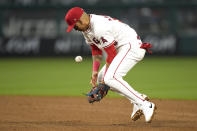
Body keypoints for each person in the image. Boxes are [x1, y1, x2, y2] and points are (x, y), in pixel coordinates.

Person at [65, 7, 156, 123]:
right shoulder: (86, 30)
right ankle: (138, 100)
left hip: (131, 47)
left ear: (80, 20)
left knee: (109, 78)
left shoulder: (99, 27)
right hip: (122, 49)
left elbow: (112, 54)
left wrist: (104, 82)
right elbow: (96, 49)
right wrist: (95, 71)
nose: (75, 29)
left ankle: (145, 104)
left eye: (75, 26)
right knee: (101, 78)